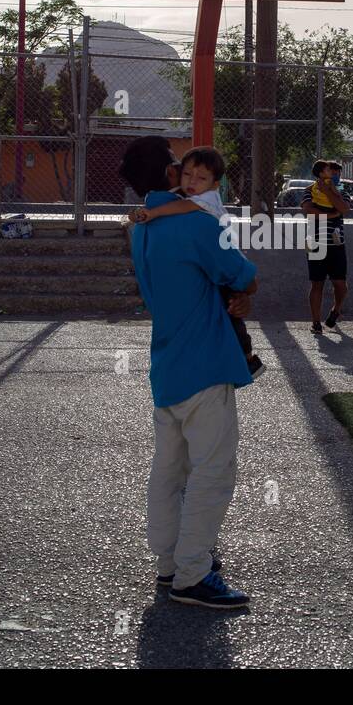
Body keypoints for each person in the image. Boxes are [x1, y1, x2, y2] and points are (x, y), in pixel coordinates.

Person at [117, 136, 259, 610]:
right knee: (212, 471)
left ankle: (169, 564)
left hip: (167, 364)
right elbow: (241, 273)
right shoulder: (198, 224)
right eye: (179, 166)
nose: (187, 173)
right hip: (205, 363)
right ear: (168, 174)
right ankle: (193, 573)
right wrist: (246, 289)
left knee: (168, 470)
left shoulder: (138, 228)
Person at [129, 146, 263, 379]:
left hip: (166, 366)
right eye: (187, 174)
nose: (192, 181)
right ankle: (246, 357)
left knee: (232, 312)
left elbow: (183, 206)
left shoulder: (144, 229)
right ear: (174, 173)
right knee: (232, 308)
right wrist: (246, 290)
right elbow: (249, 284)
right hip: (205, 370)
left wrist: (152, 213)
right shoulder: (194, 221)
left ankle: (247, 354)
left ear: (214, 185)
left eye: (201, 178)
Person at [300, 158, 350, 335]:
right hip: (315, 243)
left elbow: (343, 208)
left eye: (337, 173)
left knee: (340, 284)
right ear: (322, 173)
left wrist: (329, 192)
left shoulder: (341, 191)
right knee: (317, 284)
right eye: (332, 172)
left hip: (337, 245)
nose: (335, 176)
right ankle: (316, 322)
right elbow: (308, 209)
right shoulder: (310, 191)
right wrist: (329, 216)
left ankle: (336, 310)